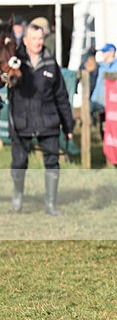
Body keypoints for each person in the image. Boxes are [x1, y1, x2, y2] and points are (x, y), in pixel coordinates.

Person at [5, 22, 74, 216]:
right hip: (21, 122)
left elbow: (61, 96)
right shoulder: (14, 62)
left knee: (52, 163)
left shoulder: (51, 63)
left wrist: (68, 125)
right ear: (25, 40)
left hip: (48, 122)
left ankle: (50, 205)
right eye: (33, 38)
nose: (37, 42)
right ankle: (17, 199)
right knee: (18, 162)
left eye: (40, 38)